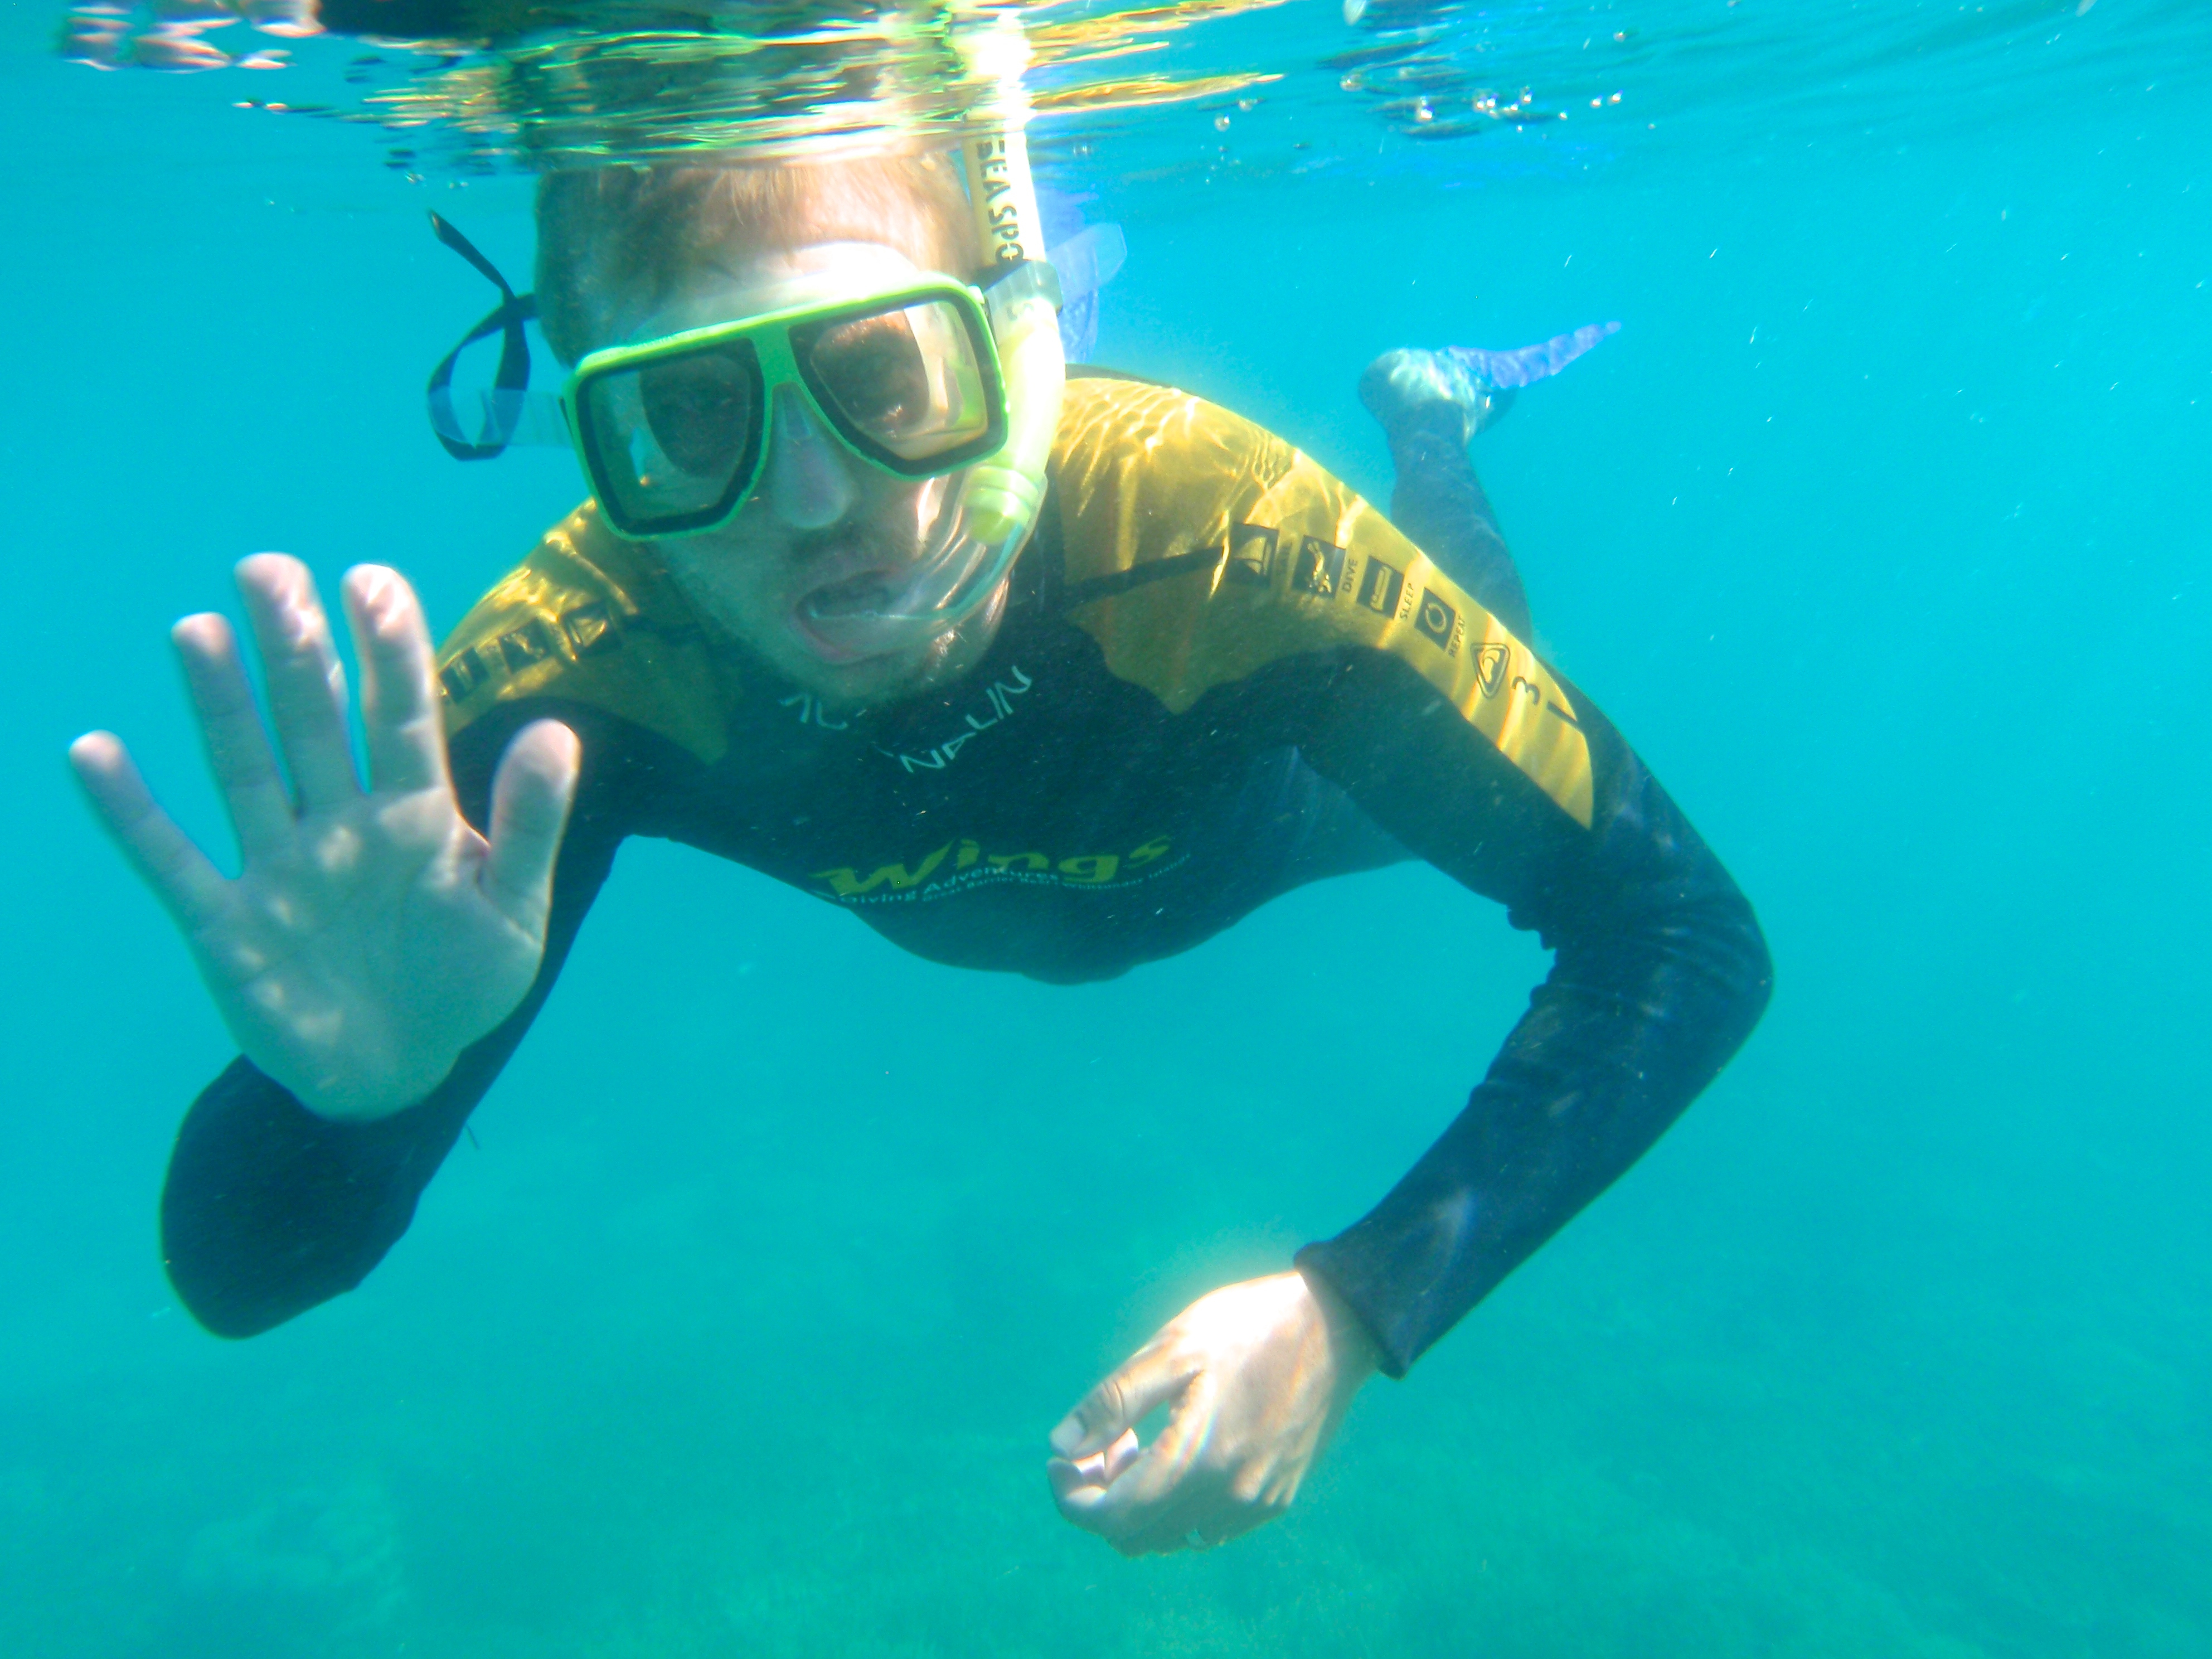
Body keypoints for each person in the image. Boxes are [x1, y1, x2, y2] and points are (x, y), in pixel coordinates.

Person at [69, 152, 1770, 1558]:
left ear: (1013, 351)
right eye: (689, 415)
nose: (812, 497)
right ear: (598, 446)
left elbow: (1680, 930)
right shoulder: (580, 671)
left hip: (1281, 824)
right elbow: (244, 1277)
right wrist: (351, 1102)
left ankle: (1431, 420)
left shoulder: (1209, 527)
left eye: (885, 373)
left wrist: (1353, 1308)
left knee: (1497, 629)